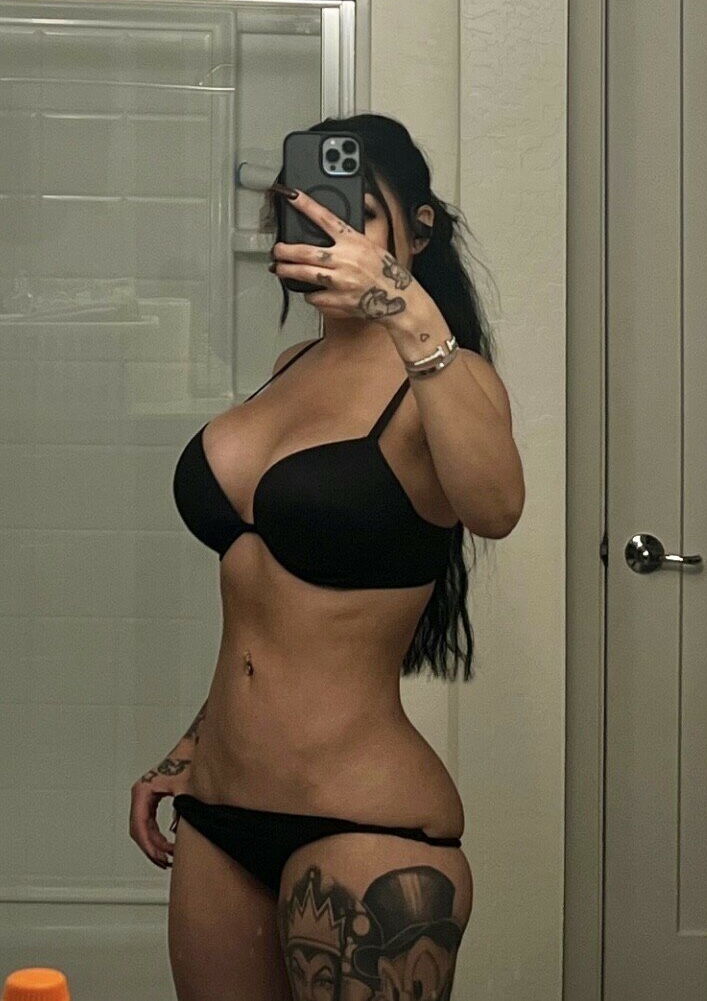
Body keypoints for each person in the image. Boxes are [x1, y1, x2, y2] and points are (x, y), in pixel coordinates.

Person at [129, 114, 524, 1001]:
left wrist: (403, 307)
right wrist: (192, 743)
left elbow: (496, 509)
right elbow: (264, 604)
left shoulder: (446, 379)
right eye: (300, 214)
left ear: (418, 230)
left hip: (363, 826)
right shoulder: (289, 365)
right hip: (218, 813)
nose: (324, 234)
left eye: (353, 214)